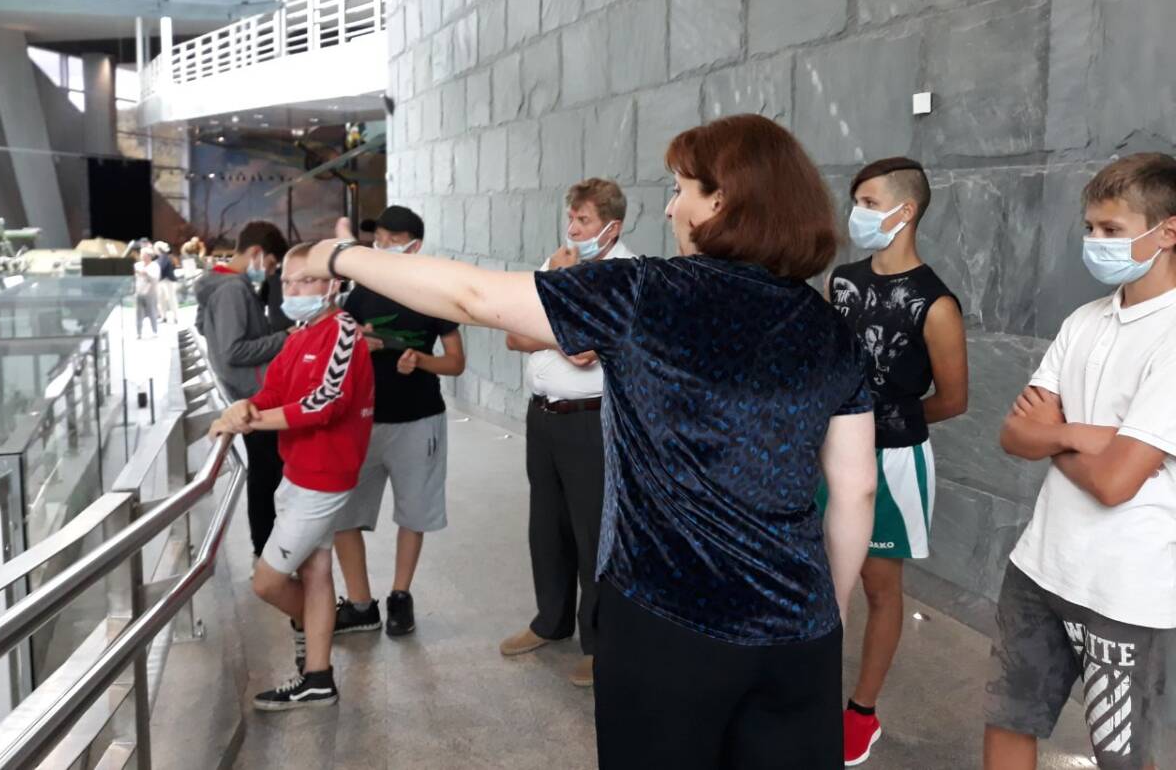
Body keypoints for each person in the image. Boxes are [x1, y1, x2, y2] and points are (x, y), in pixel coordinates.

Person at [297, 114, 877, 769]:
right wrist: (828, 610)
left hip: (669, 622)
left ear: (721, 201)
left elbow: (471, 296)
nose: (670, 208)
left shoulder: (645, 292)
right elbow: (856, 488)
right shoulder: (830, 328)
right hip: (799, 626)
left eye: (681, 189)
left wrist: (339, 256)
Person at [986, 153, 1176, 770]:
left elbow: (1117, 482)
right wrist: (1086, 435)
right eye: (1090, 227)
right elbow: (1014, 434)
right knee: (1008, 718)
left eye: (1113, 230)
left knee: (1123, 756)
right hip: (1040, 565)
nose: (1095, 242)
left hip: (1125, 587)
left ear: (1167, 231)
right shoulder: (1083, 322)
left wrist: (1054, 435)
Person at [816, 157, 969, 765]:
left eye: (870, 203)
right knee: (818, 577)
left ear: (905, 211)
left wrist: (881, 424)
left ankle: (862, 712)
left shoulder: (936, 303)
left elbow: (953, 399)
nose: (858, 213)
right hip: (825, 454)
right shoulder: (841, 281)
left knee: (879, 587)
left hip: (894, 462)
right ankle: (803, 691)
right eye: (856, 200)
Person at [210, 242, 374, 710]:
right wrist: (245, 407)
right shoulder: (301, 333)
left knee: (266, 582)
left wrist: (250, 421)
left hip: (324, 478)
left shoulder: (343, 333)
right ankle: (318, 676)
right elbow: (274, 390)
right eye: (288, 282)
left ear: (333, 285)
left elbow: (325, 403)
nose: (294, 291)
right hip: (297, 470)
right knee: (316, 571)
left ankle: (313, 631)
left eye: (307, 281)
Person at [500, 179, 634, 688]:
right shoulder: (557, 264)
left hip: (591, 419)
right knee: (547, 524)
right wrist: (558, 325)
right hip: (543, 415)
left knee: (593, 530)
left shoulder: (624, 274)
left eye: (584, 220)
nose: (573, 229)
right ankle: (549, 620)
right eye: (571, 218)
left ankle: (601, 643)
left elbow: (587, 352)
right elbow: (513, 334)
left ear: (611, 227)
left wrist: (550, 324)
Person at [331, 206, 466, 638]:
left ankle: (400, 596)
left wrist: (421, 360)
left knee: (413, 512)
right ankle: (360, 603)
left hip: (419, 418)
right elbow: (337, 354)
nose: (382, 245)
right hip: (361, 421)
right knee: (342, 513)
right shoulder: (360, 294)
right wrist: (359, 347)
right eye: (378, 238)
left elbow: (456, 362)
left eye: (392, 239)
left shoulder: (433, 292)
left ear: (414, 245)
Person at [195, 220, 290, 558]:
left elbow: (204, 328)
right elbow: (233, 350)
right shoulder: (233, 290)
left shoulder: (216, 284)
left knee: (265, 473)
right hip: (253, 393)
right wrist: (285, 339)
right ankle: (265, 550)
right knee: (266, 476)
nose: (270, 272)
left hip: (242, 389)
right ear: (256, 253)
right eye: (271, 264)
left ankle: (265, 550)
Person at [133, 247, 161, 338]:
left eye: (145, 255)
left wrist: (146, 273)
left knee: (152, 312)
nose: (143, 257)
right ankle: (138, 332)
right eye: (142, 255)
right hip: (139, 291)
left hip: (150, 293)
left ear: (149, 256)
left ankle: (155, 331)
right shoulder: (137, 265)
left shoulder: (155, 266)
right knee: (138, 314)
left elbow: (155, 279)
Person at [155, 241, 180, 323]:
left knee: (170, 299)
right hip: (163, 281)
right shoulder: (163, 257)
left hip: (167, 281)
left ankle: (174, 317)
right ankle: (165, 316)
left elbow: (162, 269)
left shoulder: (164, 257)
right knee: (163, 299)